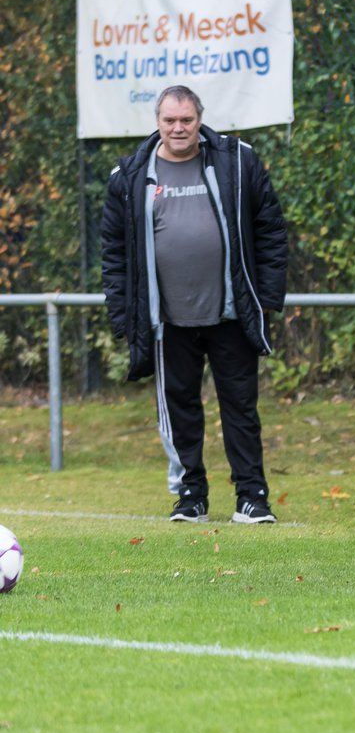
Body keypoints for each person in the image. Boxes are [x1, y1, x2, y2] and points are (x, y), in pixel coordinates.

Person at [101, 85, 288, 524]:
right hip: (166, 321)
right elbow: (114, 251)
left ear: (199, 119)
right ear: (158, 122)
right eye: (170, 121)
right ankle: (191, 496)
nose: (178, 128)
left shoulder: (238, 161)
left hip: (230, 314)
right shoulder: (129, 176)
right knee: (179, 409)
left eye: (186, 120)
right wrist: (122, 315)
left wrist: (266, 299)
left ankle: (252, 497)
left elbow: (271, 229)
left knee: (240, 408)